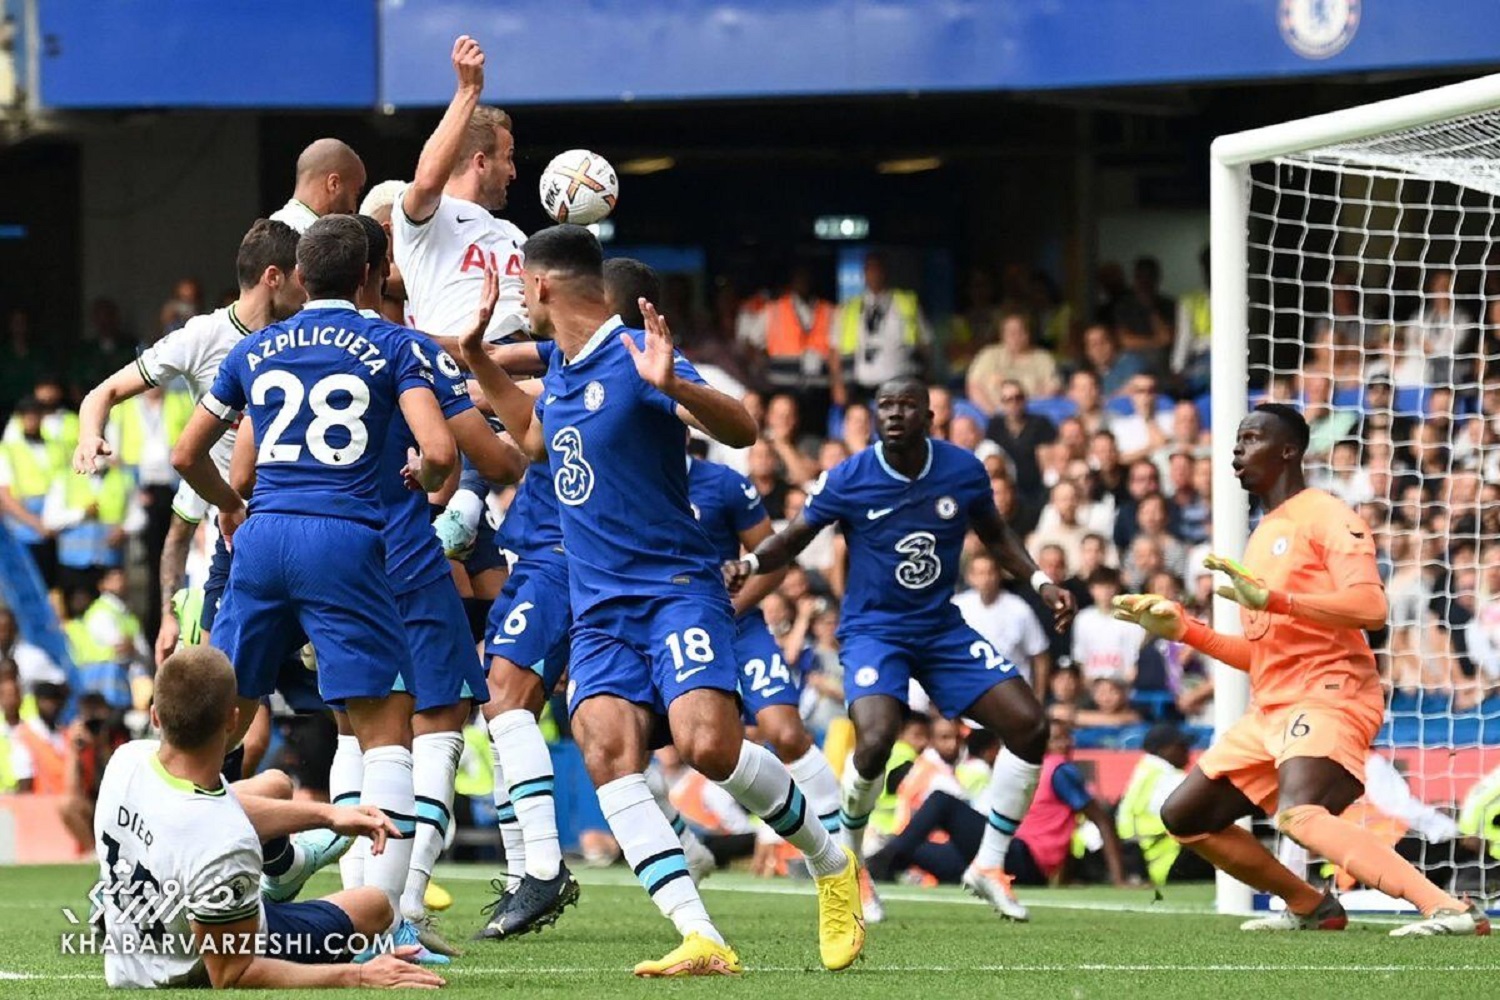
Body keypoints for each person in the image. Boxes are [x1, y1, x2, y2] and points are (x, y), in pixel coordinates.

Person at [468, 224, 862, 976]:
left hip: (675, 589)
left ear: (544, 285)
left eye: (522, 285)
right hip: (599, 609)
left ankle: (830, 860)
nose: (520, 297)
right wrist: (478, 357)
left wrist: (676, 385)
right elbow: (533, 441)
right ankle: (699, 934)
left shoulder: (634, 354)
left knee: (707, 745)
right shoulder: (563, 365)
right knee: (605, 749)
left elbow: (742, 427)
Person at [237, 216, 525, 951]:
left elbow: (234, 468)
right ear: (378, 268)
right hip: (394, 554)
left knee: (348, 726)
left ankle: (344, 897)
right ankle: (394, 913)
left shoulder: (277, 347)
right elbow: (487, 460)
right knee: (429, 724)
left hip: (293, 547)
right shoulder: (406, 349)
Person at [170, 215, 458, 937]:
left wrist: (231, 505)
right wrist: (425, 478)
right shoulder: (394, 344)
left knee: (218, 717)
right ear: (366, 277)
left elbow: (185, 455)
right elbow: (441, 453)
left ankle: (158, 878)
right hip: (344, 540)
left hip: (262, 537)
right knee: (385, 729)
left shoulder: (255, 347)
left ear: (299, 276)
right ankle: (384, 928)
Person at [1112, 402, 1490, 936]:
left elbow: (1372, 608)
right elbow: (1265, 655)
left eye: (1251, 438)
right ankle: (1312, 905)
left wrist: (1278, 599)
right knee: (1185, 817)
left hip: (1332, 692)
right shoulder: (1262, 534)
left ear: (1288, 450)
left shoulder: (1327, 515)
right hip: (1273, 707)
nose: (1237, 449)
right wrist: (1185, 631)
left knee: (1300, 813)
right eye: (1237, 439)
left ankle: (1449, 908)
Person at [727, 376, 1075, 923]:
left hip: (940, 629)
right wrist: (748, 564)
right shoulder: (851, 475)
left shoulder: (962, 470)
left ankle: (988, 865)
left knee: (1031, 726)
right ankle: (852, 864)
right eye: (884, 405)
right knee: (875, 740)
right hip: (874, 631)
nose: (893, 414)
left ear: (929, 417)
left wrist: (1040, 582)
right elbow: (794, 536)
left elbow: (997, 536)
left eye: (906, 405)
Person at [92, 645, 444, 989]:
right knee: (375, 905)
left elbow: (207, 814)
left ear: (155, 716)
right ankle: (277, 880)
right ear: (233, 720)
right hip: (201, 956)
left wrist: (328, 815)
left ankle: (289, 865)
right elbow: (234, 973)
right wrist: (359, 975)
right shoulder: (227, 843)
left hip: (135, 950)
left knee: (274, 784)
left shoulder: (127, 760)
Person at [72, 219, 307, 669]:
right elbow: (104, 392)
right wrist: (89, 435)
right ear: (273, 277)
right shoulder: (203, 337)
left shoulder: (305, 334)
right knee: (230, 682)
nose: (307, 287)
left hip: (298, 514)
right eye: (300, 276)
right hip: (234, 523)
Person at [394, 35, 528, 355]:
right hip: (460, 367)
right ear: (480, 162)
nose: (513, 172)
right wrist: (468, 91)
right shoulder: (429, 217)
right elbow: (427, 181)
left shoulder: (514, 234)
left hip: (524, 366)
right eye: (508, 158)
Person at [1115, 723, 1212, 886]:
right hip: (1170, 861)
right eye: (1181, 746)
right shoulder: (1170, 778)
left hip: (1148, 862)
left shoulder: (1145, 773)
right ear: (1162, 749)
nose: (1187, 751)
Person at [836, 253, 931, 400]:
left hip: (900, 381)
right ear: (864, 274)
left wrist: (928, 377)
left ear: (885, 272)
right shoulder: (850, 308)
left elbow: (926, 344)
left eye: (877, 269)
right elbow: (834, 349)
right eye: (870, 269)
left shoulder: (906, 303)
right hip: (861, 384)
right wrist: (838, 385)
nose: (874, 274)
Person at [952, 553, 1051, 693]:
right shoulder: (957, 606)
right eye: (980, 573)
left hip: (1014, 691)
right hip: (969, 691)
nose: (986, 579)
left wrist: (1038, 696)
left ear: (999, 575)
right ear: (970, 577)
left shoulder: (1019, 608)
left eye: (990, 573)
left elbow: (1040, 655)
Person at [268, 138, 367, 233]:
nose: (353, 209)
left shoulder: (272, 229)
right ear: (334, 184)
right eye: (355, 195)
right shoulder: (318, 240)